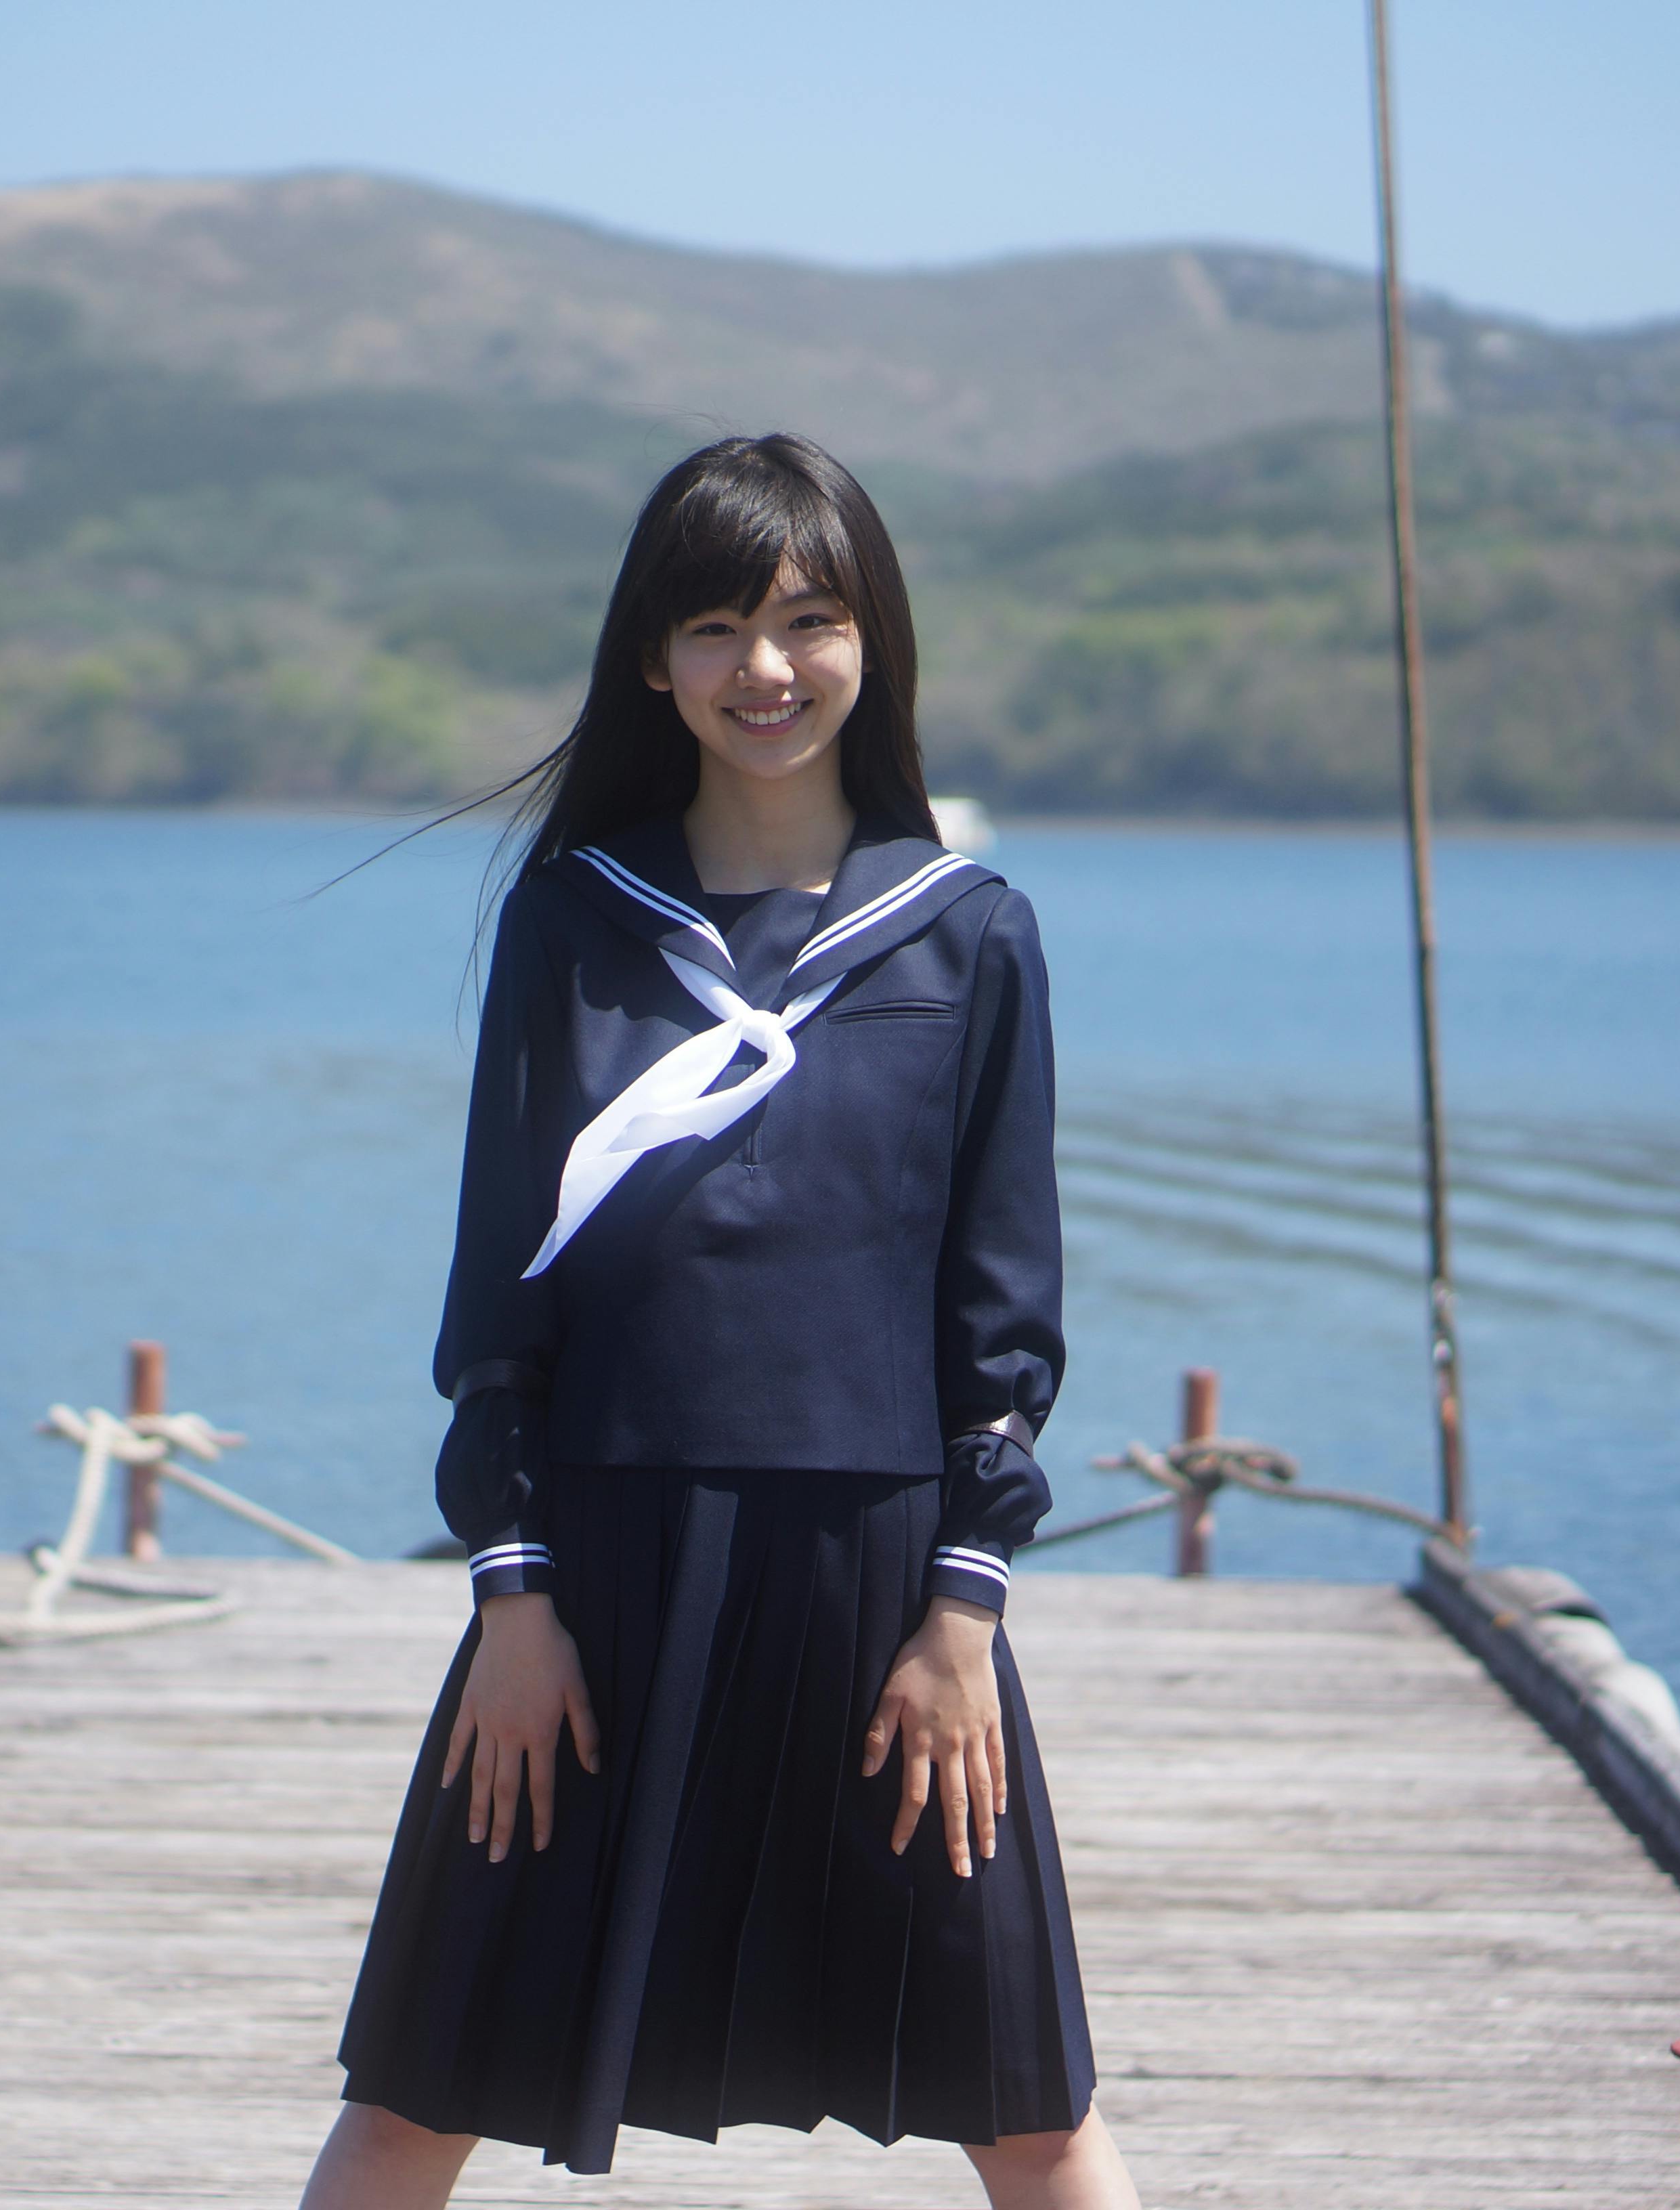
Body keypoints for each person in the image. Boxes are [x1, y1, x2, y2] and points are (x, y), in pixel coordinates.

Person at [304, 434, 1138, 2210]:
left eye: (810, 619)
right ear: (651, 661)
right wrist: (513, 1599)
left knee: (1029, 2103)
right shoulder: (574, 925)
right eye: (715, 626)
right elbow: (499, 1303)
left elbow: (1005, 1320)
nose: (766, 667)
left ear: (873, 643)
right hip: (594, 1589)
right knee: (421, 2088)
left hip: (886, 1593)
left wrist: (963, 1615)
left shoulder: (969, 937)